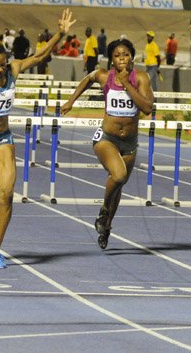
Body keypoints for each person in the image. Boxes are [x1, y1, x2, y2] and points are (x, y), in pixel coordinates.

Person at [0, 8, 76, 269]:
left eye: (2, 65)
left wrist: (60, 35)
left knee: (7, 194)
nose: (0, 71)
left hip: (2, 140)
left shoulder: (13, 69)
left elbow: (41, 55)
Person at [60, 38, 154, 249]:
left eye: (126, 55)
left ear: (132, 57)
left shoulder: (140, 77)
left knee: (119, 185)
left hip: (129, 142)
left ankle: (106, 226)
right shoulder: (104, 76)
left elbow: (147, 107)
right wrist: (71, 101)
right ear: (111, 59)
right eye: (118, 55)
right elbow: (87, 79)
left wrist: (128, 84)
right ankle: (104, 209)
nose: (122, 59)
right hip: (106, 138)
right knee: (118, 175)